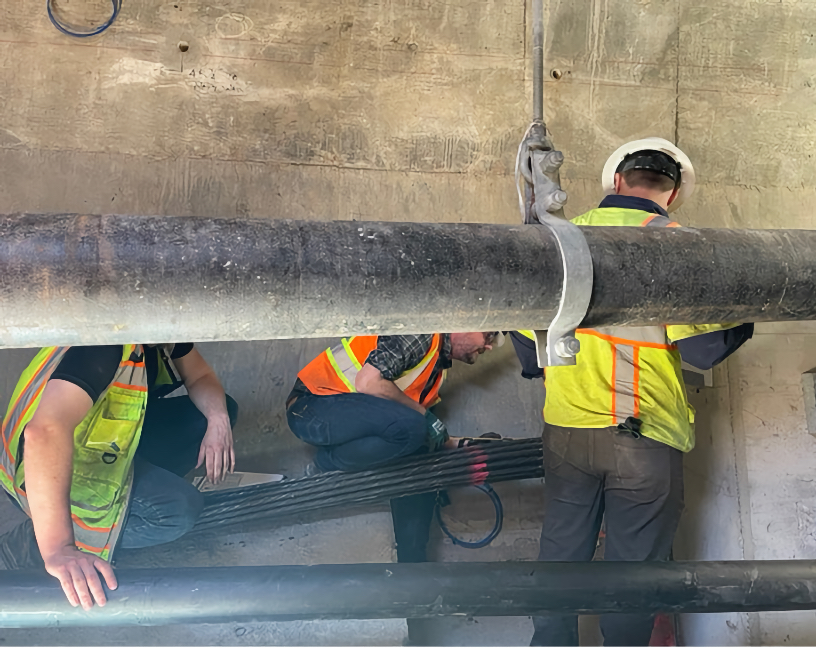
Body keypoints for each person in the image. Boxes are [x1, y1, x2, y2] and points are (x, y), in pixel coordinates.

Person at [511, 138, 754, 647]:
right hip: (642, 435)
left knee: (560, 556)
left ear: (617, 182)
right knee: (633, 573)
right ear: (673, 193)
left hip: (566, 430)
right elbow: (707, 348)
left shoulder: (560, 236)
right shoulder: (679, 246)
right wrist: (745, 310)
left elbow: (529, 350)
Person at [0, 343, 238, 610]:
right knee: (177, 511)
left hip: (104, 448)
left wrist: (218, 419)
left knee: (215, 414)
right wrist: (58, 547)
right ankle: (38, 540)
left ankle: (131, 498)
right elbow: (44, 433)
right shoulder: (103, 347)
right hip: (41, 473)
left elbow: (200, 376)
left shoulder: (161, 334)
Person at [286, 331, 500, 564]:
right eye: (488, 336)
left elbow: (424, 431)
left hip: (349, 421)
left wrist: (464, 444)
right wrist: (424, 416)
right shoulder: (422, 335)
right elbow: (368, 382)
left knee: (422, 455)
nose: (489, 347)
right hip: (312, 408)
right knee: (414, 427)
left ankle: (411, 563)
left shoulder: (435, 370)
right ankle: (325, 465)